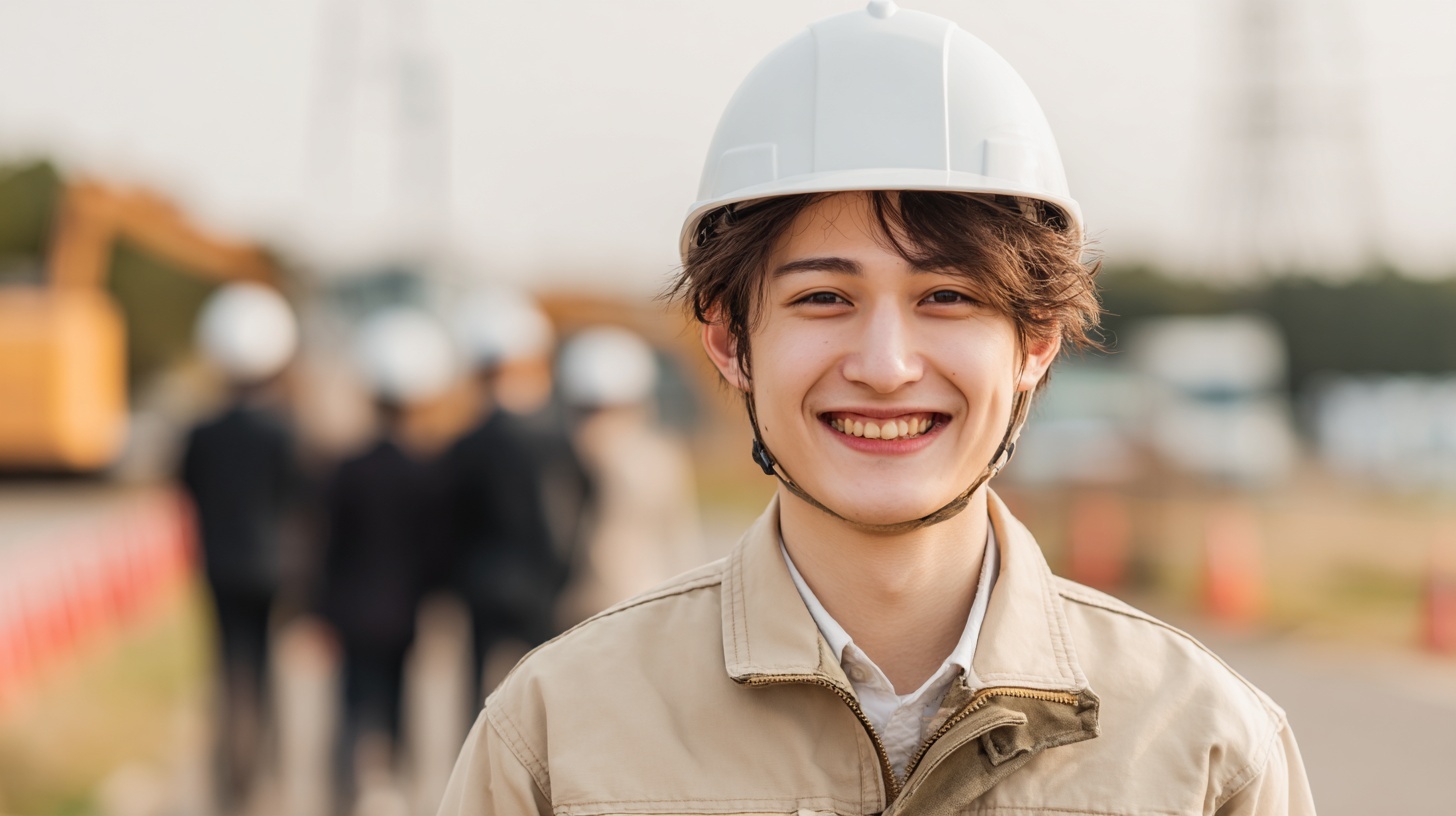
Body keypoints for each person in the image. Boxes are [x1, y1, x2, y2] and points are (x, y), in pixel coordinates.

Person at [438, 3, 1316, 814]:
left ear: (1036, 339)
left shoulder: (1207, 747)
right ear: (729, 339)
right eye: (823, 298)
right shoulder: (556, 735)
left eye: (948, 296)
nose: (887, 367)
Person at [321, 308, 454, 812]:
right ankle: (395, 787)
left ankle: (348, 792)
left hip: (351, 607)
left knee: (353, 703)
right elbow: (437, 550)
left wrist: (318, 608)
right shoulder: (430, 472)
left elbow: (327, 544)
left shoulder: (345, 467)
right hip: (405, 608)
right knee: (399, 699)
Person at [180, 282, 303, 813]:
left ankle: (231, 773)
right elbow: (299, 496)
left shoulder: (202, 431)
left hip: (219, 563)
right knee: (269, 665)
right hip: (271, 564)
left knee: (229, 666)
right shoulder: (284, 430)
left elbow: (186, 487)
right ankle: (268, 768)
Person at [445, 288, 590, 699]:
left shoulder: (467, 442)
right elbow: (580, 505)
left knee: (477, 693)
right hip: (543, 582)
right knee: (544, 690)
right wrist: (567, 568)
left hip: (482, 581)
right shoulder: (557, 437)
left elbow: (451, 518)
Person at [553, 326, 703, 625]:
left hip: (610, 602)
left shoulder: (655, 456)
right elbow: (682, 538)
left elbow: (679, 535)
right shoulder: (659, 454)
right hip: (631, 599)